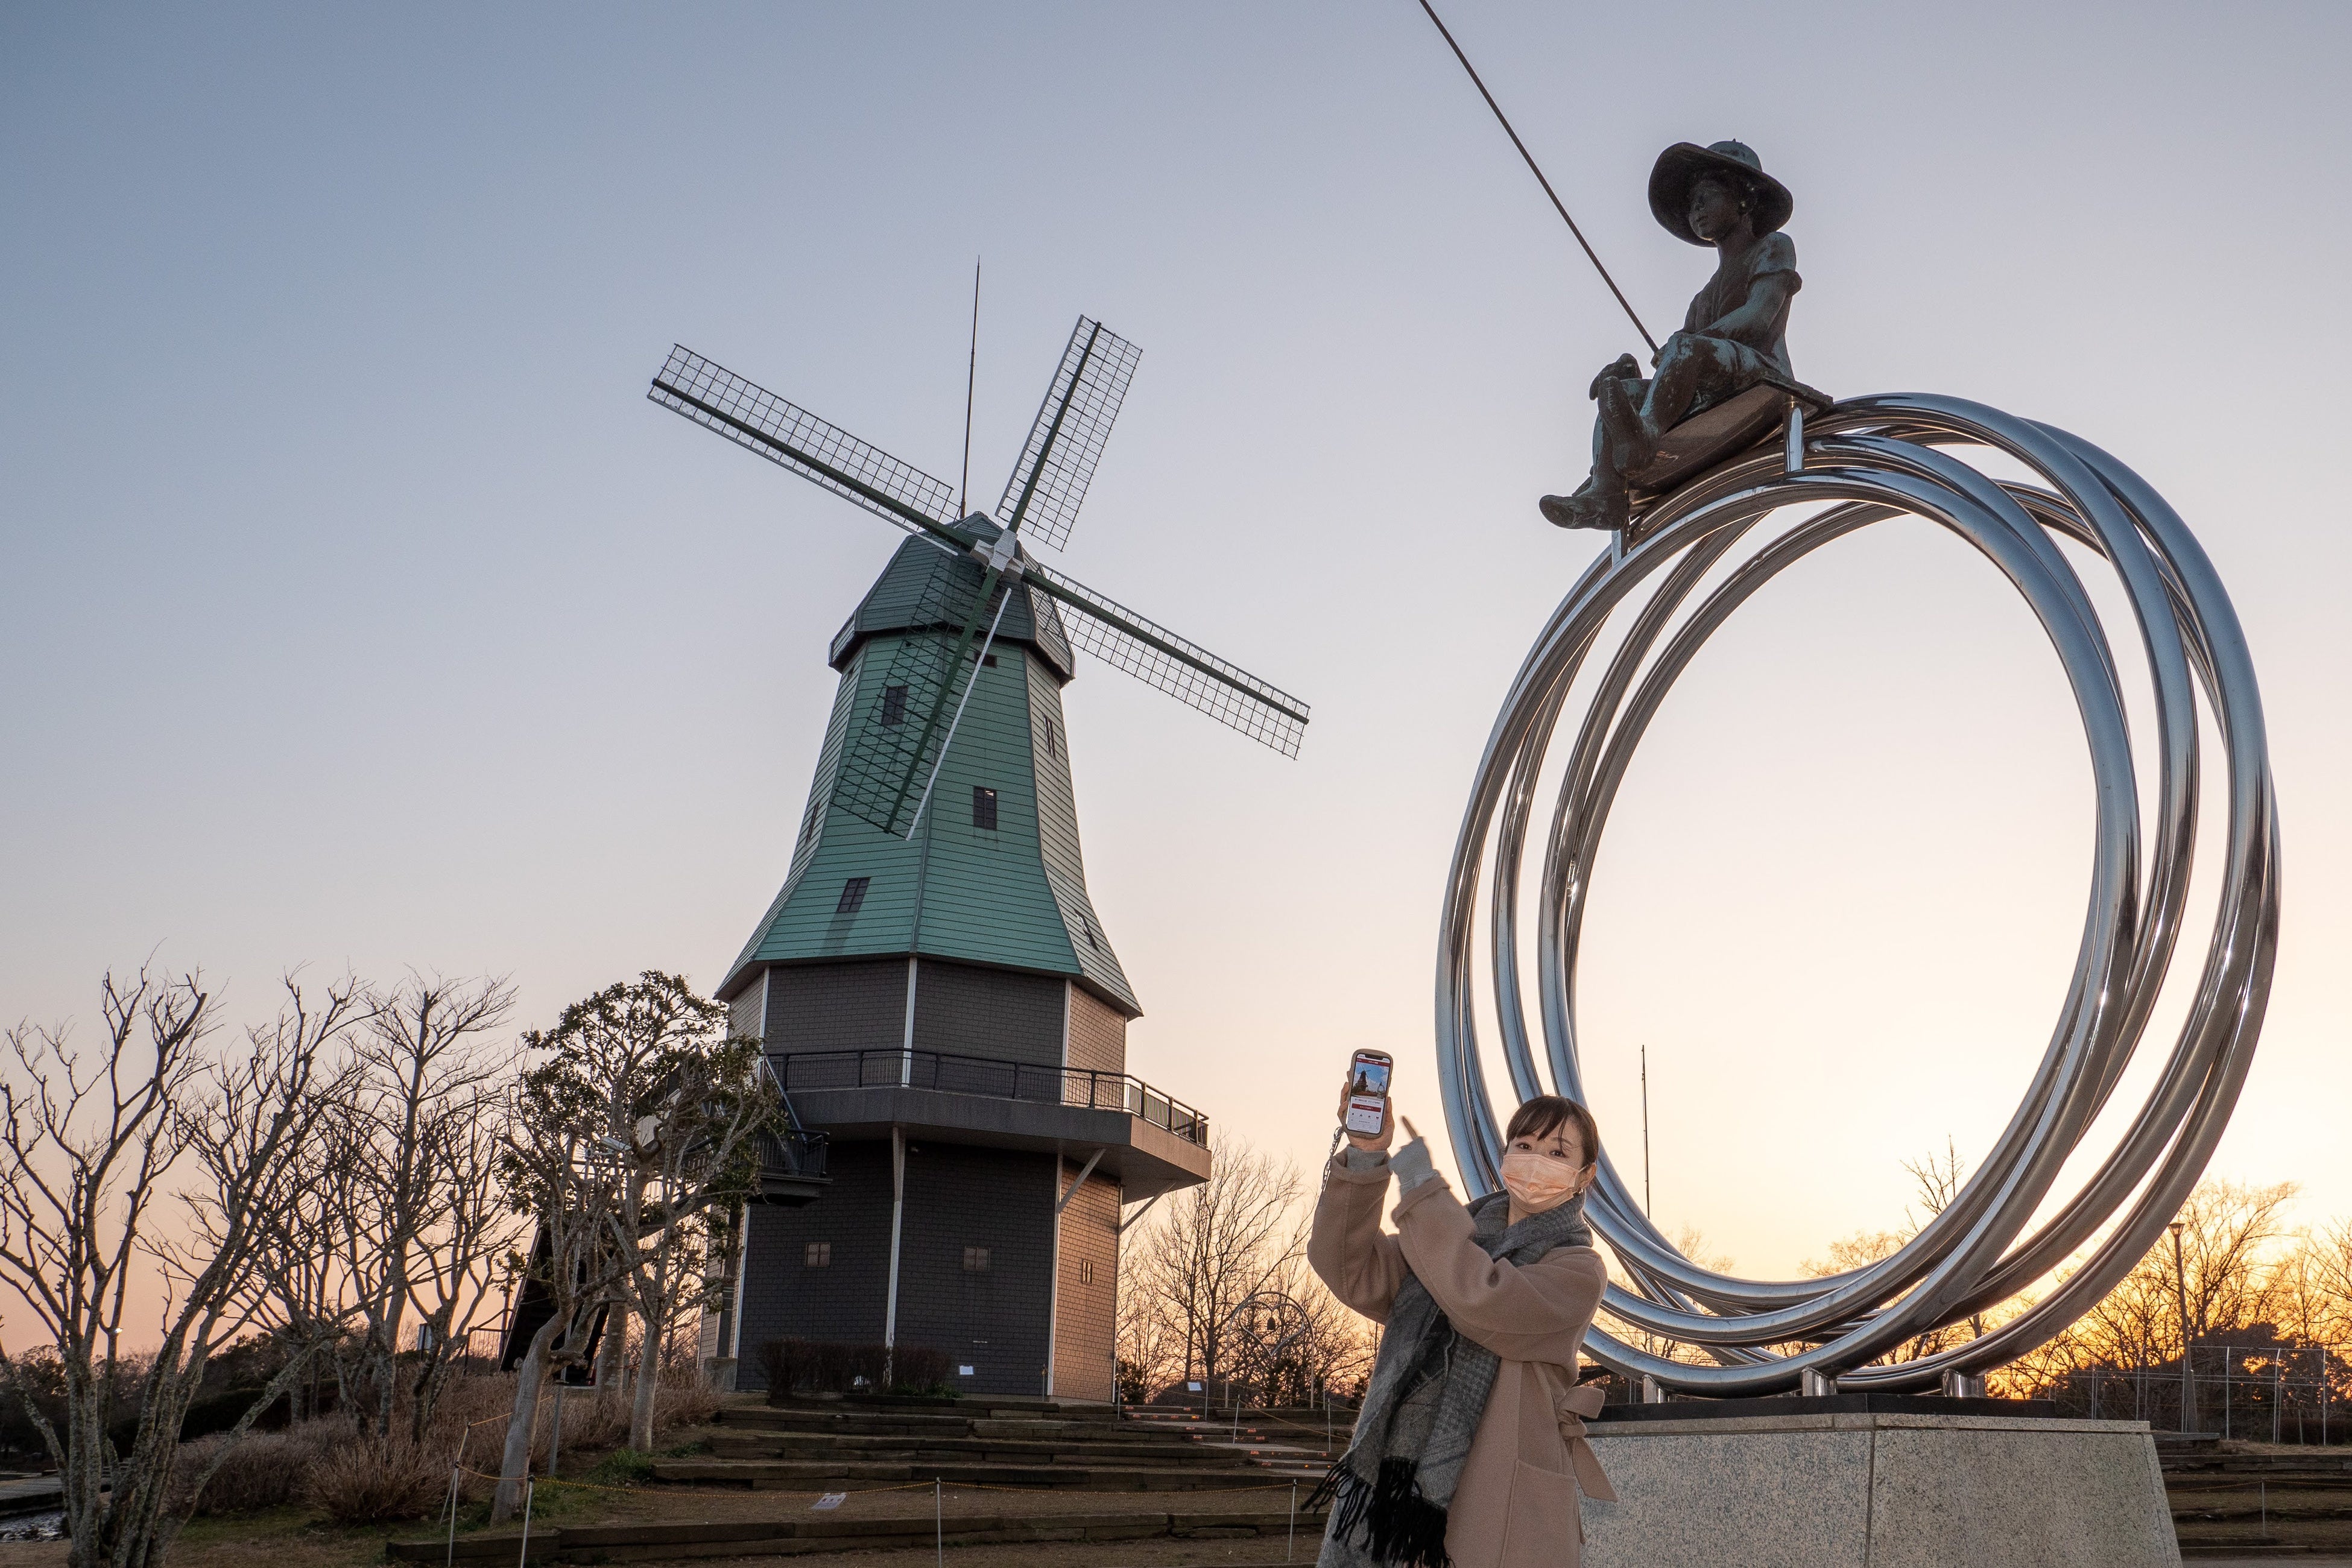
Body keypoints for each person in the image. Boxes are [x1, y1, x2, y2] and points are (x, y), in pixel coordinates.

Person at [1307, 1086, 1613, 1568]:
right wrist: (1368, 1157)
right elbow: (1347, 1266)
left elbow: (1481, 1299)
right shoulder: (1448, 1241)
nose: (1537, 1161)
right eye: (1525, 1146)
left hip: (1505, 1501)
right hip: (1406, 1495)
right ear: (1505, 1154)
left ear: (1585, 1176)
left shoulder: (1578, 1268)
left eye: (1558, 1152)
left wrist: (1423, 1190)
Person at [1541, 139, 1803, 534]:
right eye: (1690, 202)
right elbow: (1677, 361)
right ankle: (1605, 497)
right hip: (1717, 388)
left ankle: (1643, 437)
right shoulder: (1704, 299)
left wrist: (1680, 350)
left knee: (1684, 348)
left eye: (1705, 196)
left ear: (1743, 197)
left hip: (1762, 372)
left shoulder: (1773, 248)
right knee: (1627, 391)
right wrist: (1636, 371)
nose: (1694, 209)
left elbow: (1757, 316)